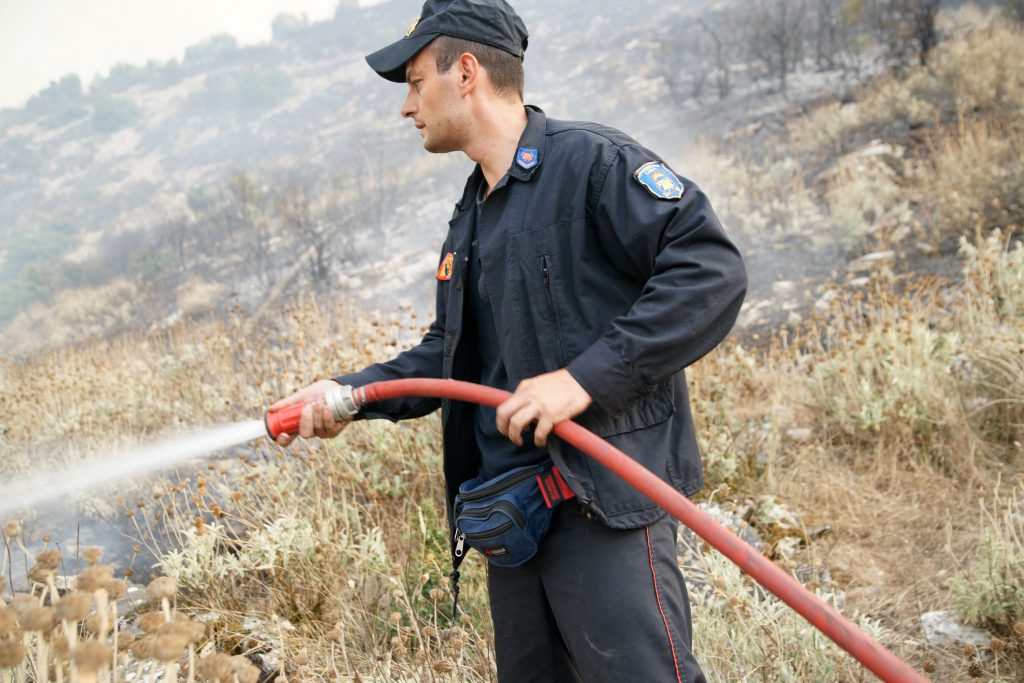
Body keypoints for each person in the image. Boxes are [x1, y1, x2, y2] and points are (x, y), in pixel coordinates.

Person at [271, 1, 746, 680]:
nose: (407, 108)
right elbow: (446, 355)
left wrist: (583, 378)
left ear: (465, 73)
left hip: (600, 502)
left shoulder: (593, 163)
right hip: (513, 524)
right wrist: (348, 394)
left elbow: (712, 270)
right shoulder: (469, 219)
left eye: (414, 83)